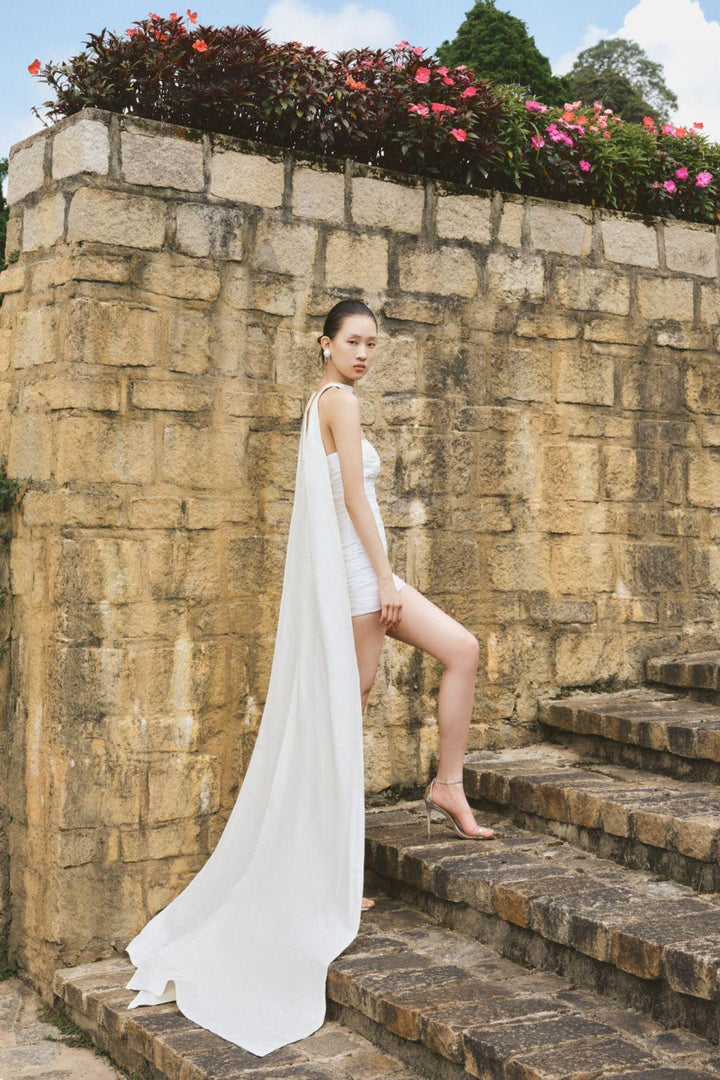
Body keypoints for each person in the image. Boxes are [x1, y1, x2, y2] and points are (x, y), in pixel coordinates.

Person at [122, 298, 493, 1058]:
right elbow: (354, 497)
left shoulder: (325, 401)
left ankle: (446, 786)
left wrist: (383, 573)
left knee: (458, 652)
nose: (365, 353)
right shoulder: (339, 401)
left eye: (372, 343)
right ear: (325, 344)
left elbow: (353, 499)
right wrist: (384, 577)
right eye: (354, 341)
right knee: (348, 712)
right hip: (360, 581)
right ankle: (328, 877)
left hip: (365, 575)